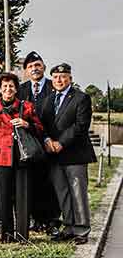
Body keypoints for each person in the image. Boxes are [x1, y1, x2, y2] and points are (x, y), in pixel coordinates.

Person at [0, 72, 43, 243]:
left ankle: (23, 234)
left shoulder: (27, 107)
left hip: (22, 157)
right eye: (5, 87)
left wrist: (27, 124)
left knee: (23, 197)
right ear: (0, 89)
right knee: (3, 196)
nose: (8, 89)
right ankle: (7, 234)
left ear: (16, 89)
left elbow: (40, 128)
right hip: (1, 158)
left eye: (11, 86)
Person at [42, 63, 96, 244]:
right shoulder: (48, 100)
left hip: (75, 154)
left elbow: (80, 126)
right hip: (54, 155)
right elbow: (42, 124)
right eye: (56, 77)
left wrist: (61, 143)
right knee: (62, 192)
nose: (59, 79)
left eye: (63, 76)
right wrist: (47, 140)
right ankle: (69, 226)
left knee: (77, 192)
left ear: (70, 79)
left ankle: (81, 230)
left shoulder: (81, 98)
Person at [18, 50, 58, 232]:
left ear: (44, 67)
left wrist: (51, 138)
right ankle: (34, 218)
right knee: (31, 182)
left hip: (50, 143)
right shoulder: (21, 89)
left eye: (38, 65)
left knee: (50, 183)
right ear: (26, 70)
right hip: (29, 145)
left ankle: (51, 220)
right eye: (31, 66)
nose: (35, 69)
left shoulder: (53, 86)